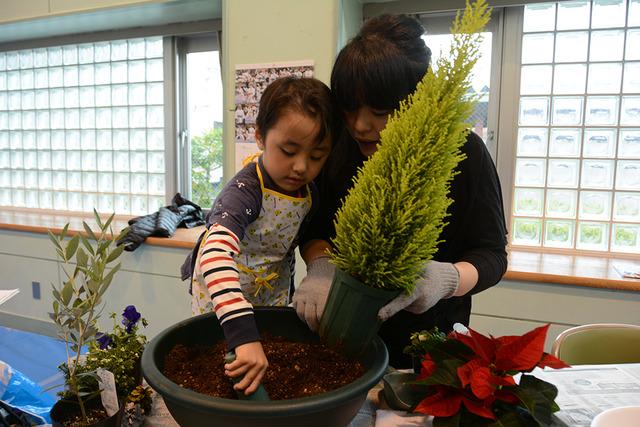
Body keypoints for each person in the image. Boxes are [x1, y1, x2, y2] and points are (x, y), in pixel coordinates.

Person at [292, 14, 508, 368]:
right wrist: (321, 266)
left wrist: (447, 278)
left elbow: (492, 256)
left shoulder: (463, 152)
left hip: (429, 350)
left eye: (379, 111)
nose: (361, 125)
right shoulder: (339, 147)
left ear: (417, 99)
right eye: (349, 109)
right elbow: (314, 228)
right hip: (339, 337)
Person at [182, 77, 337, 394]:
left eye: (317, 155)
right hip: (225, 291)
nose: (300, 167)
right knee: (223, 365)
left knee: (268, 358)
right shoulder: (244, 192)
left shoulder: (310, 194)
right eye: (289, 150)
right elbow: (213, 257)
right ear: (260, 136)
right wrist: (242, 332)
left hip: (271, 289)